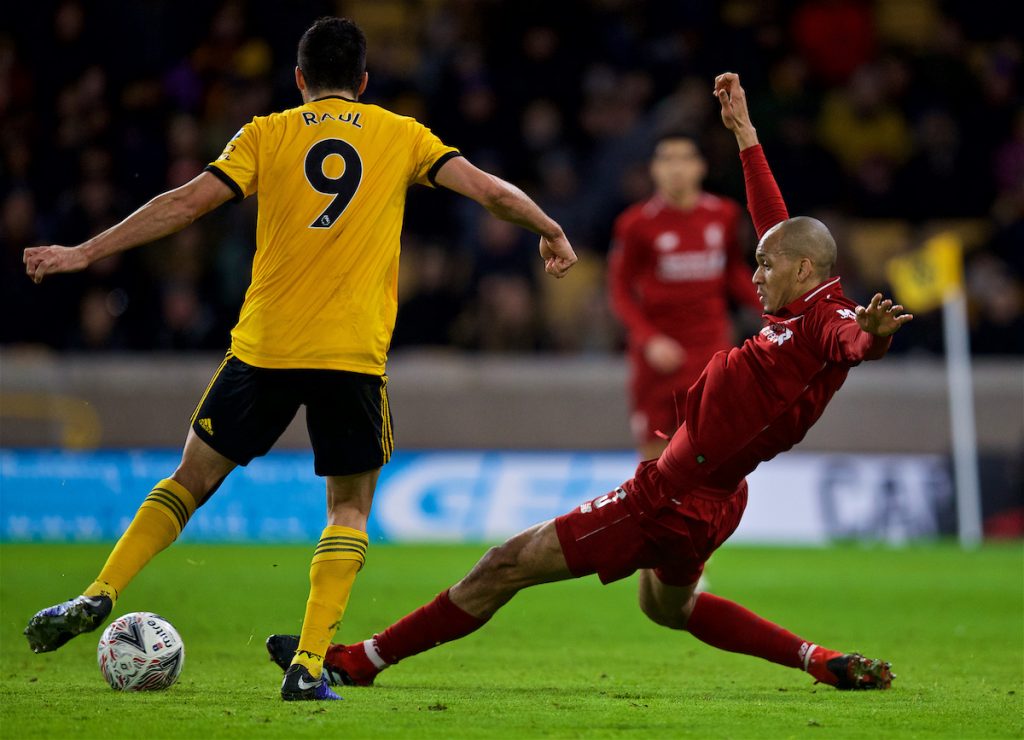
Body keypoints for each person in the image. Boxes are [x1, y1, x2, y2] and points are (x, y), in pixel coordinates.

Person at [266, 71, 911, 693]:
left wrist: (874, 334)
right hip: (717, 498)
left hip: (669, 498)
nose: (754, 274)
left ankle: (360, 660)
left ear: (802, 269)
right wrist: (744, 132)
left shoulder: (830, 319)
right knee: (668, 609)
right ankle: (817, 660)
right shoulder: (799, 300)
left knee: (504, 564)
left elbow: (853, 343)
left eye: (764, 265)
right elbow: (775, 223)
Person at [21, 17, 577, 702]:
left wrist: (83, 253)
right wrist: (549, 228)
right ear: (365, 81)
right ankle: (309, 665)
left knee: (189, 480)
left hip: (265, 346)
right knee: (347, 507)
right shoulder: (403, 134)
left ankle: (101, 590)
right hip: (350, 355)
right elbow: (491, 192)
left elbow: (187, 203)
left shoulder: (266, 132)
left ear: (299, 80)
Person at [608, 133, 761, 459]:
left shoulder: (724, 215)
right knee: (654, 456)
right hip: (659, 354)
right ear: (654, 169)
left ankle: (702, 510)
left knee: (711, 449)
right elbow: (619, 290)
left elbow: (733, 270)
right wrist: (649, 340)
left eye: (684, 158)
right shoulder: (635, 224)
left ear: (700, 167)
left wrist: (770, 307)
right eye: (666, 159)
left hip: (710, 347)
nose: (676, 168)